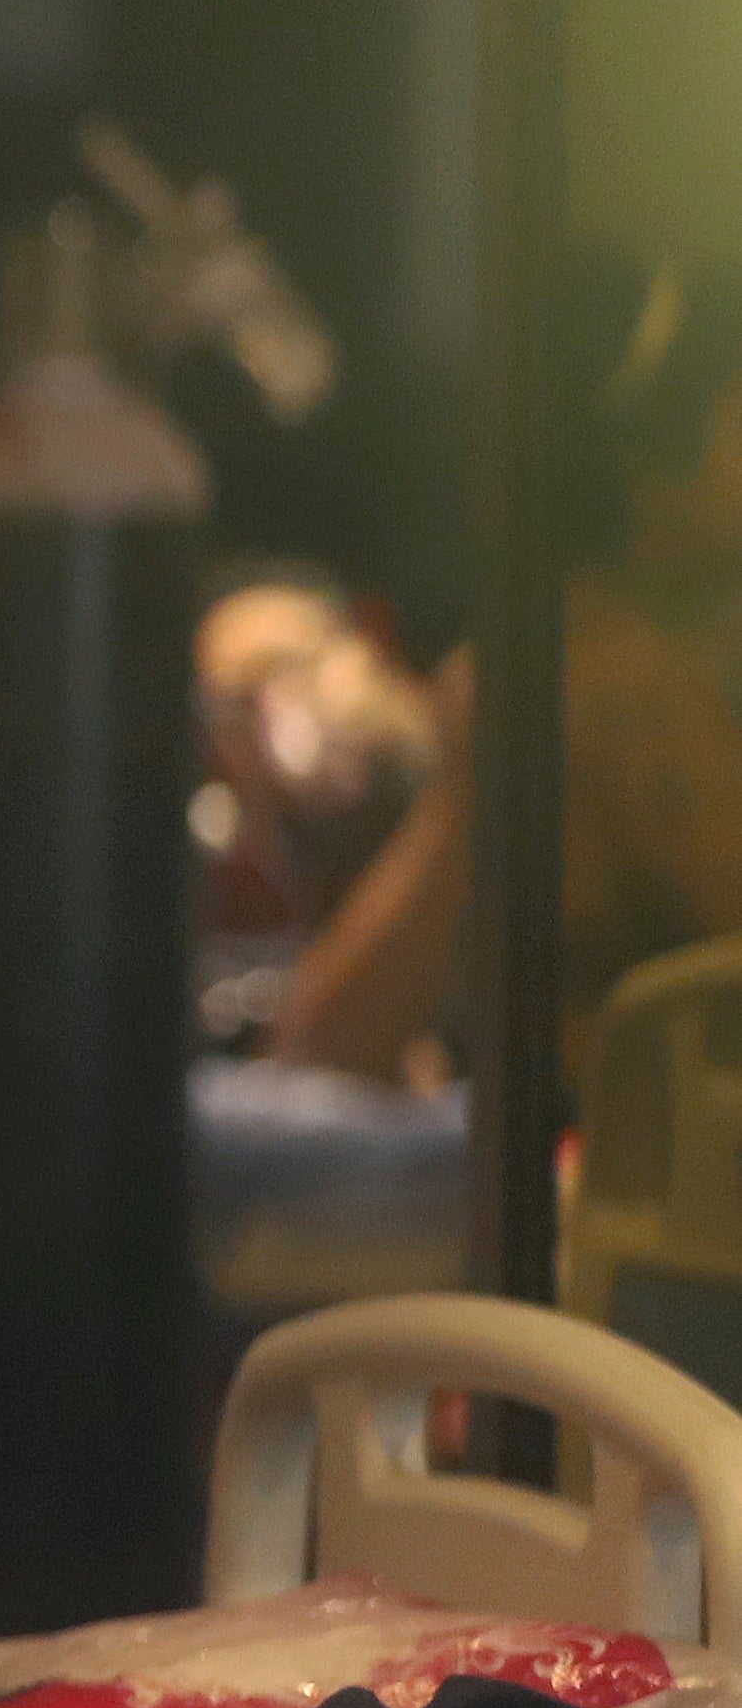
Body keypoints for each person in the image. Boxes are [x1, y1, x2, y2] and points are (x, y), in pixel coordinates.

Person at [280, 243, 742, 1088]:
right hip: (604, 1170)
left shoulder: (582, 661)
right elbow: (332, 1047)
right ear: (689, 429)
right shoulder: (602, 680)